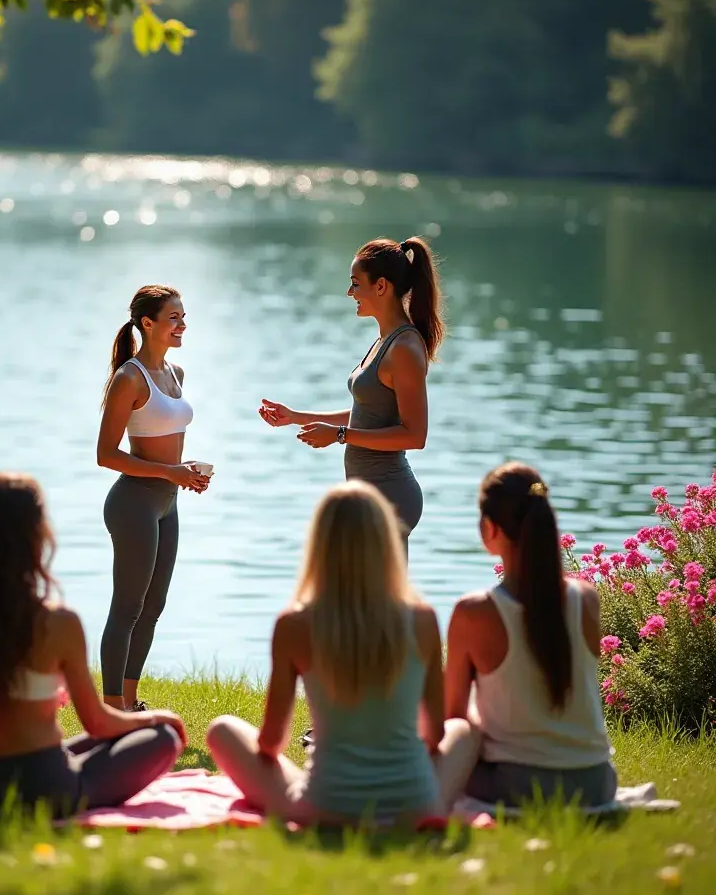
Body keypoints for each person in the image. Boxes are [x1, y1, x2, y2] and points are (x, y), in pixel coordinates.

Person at [206, 482, 477, 827]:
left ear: (320, 545)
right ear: (386, 543)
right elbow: (435, 735)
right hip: (415, 804)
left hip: (325, 806)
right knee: (463, 731)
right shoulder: (422, 619)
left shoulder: (294, 624)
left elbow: (272, 743)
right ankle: (426, 801)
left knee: (222, 730)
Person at [0, 472, 186, 816]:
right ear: (38, 536)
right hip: (40, 786)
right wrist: (156, 719)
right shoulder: (58, 622)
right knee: (162, 738)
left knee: (99, 742)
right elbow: (97, 723)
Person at [444, 462, 616, 808]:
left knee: (446, 742)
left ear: (489, 528)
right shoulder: (586, 599)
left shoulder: (474, 612)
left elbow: (453, 717)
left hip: (518, 785)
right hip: (597, 783)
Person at [259, 237, 444, 557]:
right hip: (369, 495)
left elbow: (415, 435)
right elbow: (369, 413)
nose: (349, 293)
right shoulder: (385, 341)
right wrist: (297, 417)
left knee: (375, 591)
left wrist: (340, 435)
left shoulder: (404, 348)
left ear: (381, 286)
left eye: (356, 284)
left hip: (389, 495)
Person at [96, 284, 212, 711]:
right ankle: (112, 711)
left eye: (183, 317)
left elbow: (166, 442)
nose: (182, 325)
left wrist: (185, 471)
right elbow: (106, 455)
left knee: (153, 606)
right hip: (134, 504)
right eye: (173, 318)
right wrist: (170, 472)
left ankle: (129, 703)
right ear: (148, 323)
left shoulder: (175, 373)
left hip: (168, 501)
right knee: (127, 607)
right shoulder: (129, 377)